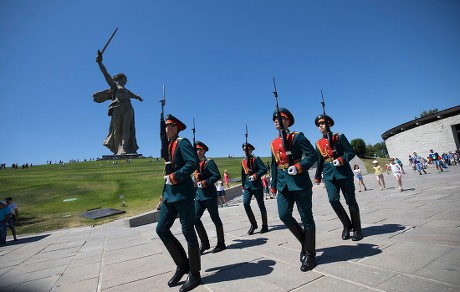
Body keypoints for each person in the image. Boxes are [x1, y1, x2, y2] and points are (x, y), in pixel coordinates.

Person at [155, 114, 201, 292]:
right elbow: (167, 172)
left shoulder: (182, 142)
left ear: (175, 127)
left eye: (168, 126)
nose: (165, 129)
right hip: (169, 196)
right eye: (165, 126)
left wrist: (175, 177)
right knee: (161, 229)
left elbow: (192, 163)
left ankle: (195, 273)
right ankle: (183, 265)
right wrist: (162, 194)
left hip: (183, 194)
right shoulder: (167, 147)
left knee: (188, 231)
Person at [270, 108, 317, 272]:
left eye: (279, 118)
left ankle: (310, 254)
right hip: (283, 184)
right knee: (284, 215)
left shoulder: (297, 136)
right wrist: (273, 185)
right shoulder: (273, 142)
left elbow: (312, 155)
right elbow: (274, 165)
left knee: (306, 217)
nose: (276, 120)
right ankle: (306, 242)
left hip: (299, 181)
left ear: (287, 121)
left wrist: (299, 167)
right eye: (274, 119)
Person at [314, 114, 363, 242]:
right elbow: (319, 160)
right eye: (319, 125)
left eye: (323, 123)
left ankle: (357, 229)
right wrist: (317, 176)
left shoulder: (339, 137)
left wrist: (342, 159)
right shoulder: (318, 143)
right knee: (333, 200)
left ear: (329, 124)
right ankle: (347, 225)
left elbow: (350, 152)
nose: (321, 126)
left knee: (350, 201)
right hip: (329, 174)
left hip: (344, 173)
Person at [95, 52, 143, 155]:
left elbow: (133, 95)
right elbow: (106, 74)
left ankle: (123, 149)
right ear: (121, 78)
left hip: (128, 108)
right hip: (117, 107)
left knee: (126, 129)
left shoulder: (126, 90)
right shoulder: (114, 86)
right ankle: (117, 149)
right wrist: (99, 62)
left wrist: (138, 97)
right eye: (125, 78)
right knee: (117, 130)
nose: (127, 80)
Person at [193, 141, 227, 255]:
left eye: (197, 150)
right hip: (198, 196)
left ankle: (221, 243)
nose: (195, 152)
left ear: (202, 151)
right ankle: (205, 243)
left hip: (209, 195)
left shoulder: (208, 162)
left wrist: (205, 183)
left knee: (215, 218)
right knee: (195, 218)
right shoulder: (194, 164)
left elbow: (217, 175)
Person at [242, 143, 268, 235]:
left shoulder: (256, 159)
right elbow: (243, 174)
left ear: (251, 150)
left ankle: (265, 225)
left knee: (261, 205)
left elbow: (264, 169)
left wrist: (255, 175)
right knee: (245, 203)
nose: (245, 151)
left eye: (247, 150)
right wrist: (243, 185)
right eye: (244, 150)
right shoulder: (243, 161)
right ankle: (253, 224)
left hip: (256, 185)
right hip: (247, 186)